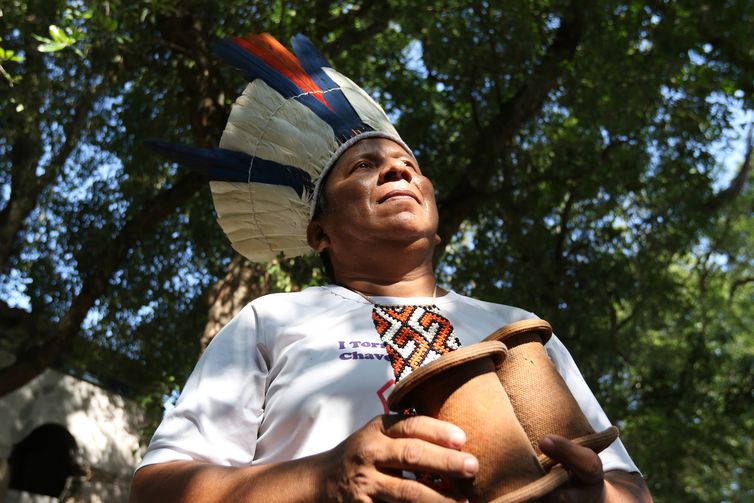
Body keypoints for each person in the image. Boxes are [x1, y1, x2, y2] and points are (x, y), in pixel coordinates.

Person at [131, 33, 653, 502]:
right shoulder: (271, 321)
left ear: (437, 230)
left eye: (410, 166)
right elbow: (155, 489)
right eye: (363, 166)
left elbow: (630, 486)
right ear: (320, 234)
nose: (398, 167)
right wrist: (324, 481)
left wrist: (592, 496)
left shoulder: (519, 329)